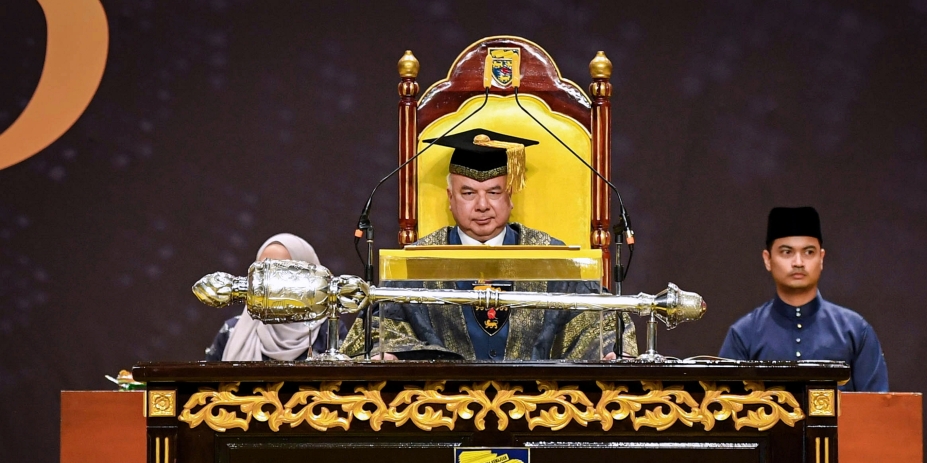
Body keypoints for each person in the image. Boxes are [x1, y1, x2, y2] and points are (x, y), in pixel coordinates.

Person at [341, 127, 637, 361]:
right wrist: (388, 353)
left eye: (494, 192)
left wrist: (609, 350)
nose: (482, 205)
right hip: (442, 406)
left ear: (510, 197)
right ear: (450, 199)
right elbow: (379, 328)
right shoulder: (417, 261)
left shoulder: (550, 256)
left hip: (538, 406)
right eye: (468, 193)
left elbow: (598, 319)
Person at [718, 207, 888, 391]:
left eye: (808, 252)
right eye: (786, 252)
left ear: (821, 258)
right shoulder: (744, 334)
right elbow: (723, 403)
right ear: (767, 259)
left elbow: (877, 404)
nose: (798, 263)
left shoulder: (855, 331)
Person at [205, 233, 343, 361]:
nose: (268, 282)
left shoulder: (330, 332)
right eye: (262, 272)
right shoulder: (231, 331)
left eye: (279, 272)